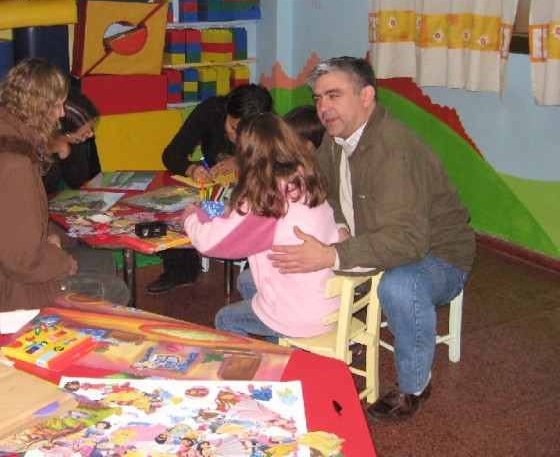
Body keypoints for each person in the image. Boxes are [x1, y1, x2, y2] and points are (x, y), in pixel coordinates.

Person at [267, 56, 475, 423]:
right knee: (276, 266)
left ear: (366, 96)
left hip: (437, 254)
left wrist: (333, 254)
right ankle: (326, 343)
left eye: (334, 95)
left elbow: (408, 242)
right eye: (318, 98)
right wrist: (339, 226)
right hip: (374, 239)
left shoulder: (396, 151)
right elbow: (324, 192)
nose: (323, 108)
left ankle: (414, 387)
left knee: (399, 286)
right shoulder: (337, 140)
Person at [0, 58, 129, 342]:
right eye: (58, 105)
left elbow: (9, 221)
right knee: (115, 290)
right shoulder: (11, 165)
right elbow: (23, 261)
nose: (61, 114)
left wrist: (50, 236)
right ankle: (67, 354)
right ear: (39, 108)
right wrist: (61, 263)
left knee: (101, 263)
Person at [181, 112, 341, 340]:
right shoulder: (302, 178)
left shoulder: (268, 200)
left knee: (225, 319)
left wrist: (191, 216)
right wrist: (232, 211)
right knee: (246, 281)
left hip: (303, 315)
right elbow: (257, 224)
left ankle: (277, 350)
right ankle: (278, 342)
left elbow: (210, 243)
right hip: (328, 297)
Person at [148, 83, 274, 294]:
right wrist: (191, 169)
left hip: (251, 197)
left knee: (263, 216)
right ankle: (181, 271)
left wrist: (241, 160)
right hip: (215, 192)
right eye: (233, 128)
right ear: (226, 110)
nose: (237, 138)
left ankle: (254, 277)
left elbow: (278, 166)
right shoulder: (210, 110)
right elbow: (171, 154)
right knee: (182, 205)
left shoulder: (270, 127)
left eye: (245, 133)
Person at [43, 87, 101, 194]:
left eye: (91, 128)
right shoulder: (35, 145)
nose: (91, 134)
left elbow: (78, 181)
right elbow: (46, 191)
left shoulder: (75, 136)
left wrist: (65, 150)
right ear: (61, 133)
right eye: (84, 134)